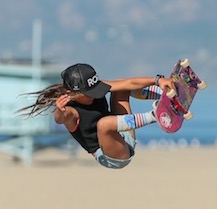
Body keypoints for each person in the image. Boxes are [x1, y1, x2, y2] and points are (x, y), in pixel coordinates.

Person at [18, 63, 175, 169]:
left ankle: (164, 94)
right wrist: (59, 110)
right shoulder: (71, 112)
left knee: (120, 85)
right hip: (112, 156)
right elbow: (59, 119)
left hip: (123, 133)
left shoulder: (96, 87)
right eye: (90, 94)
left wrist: (158, 80)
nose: (95, 95)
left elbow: (129, 84)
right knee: (104, 124)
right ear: (73, 93)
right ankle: (156, 116)